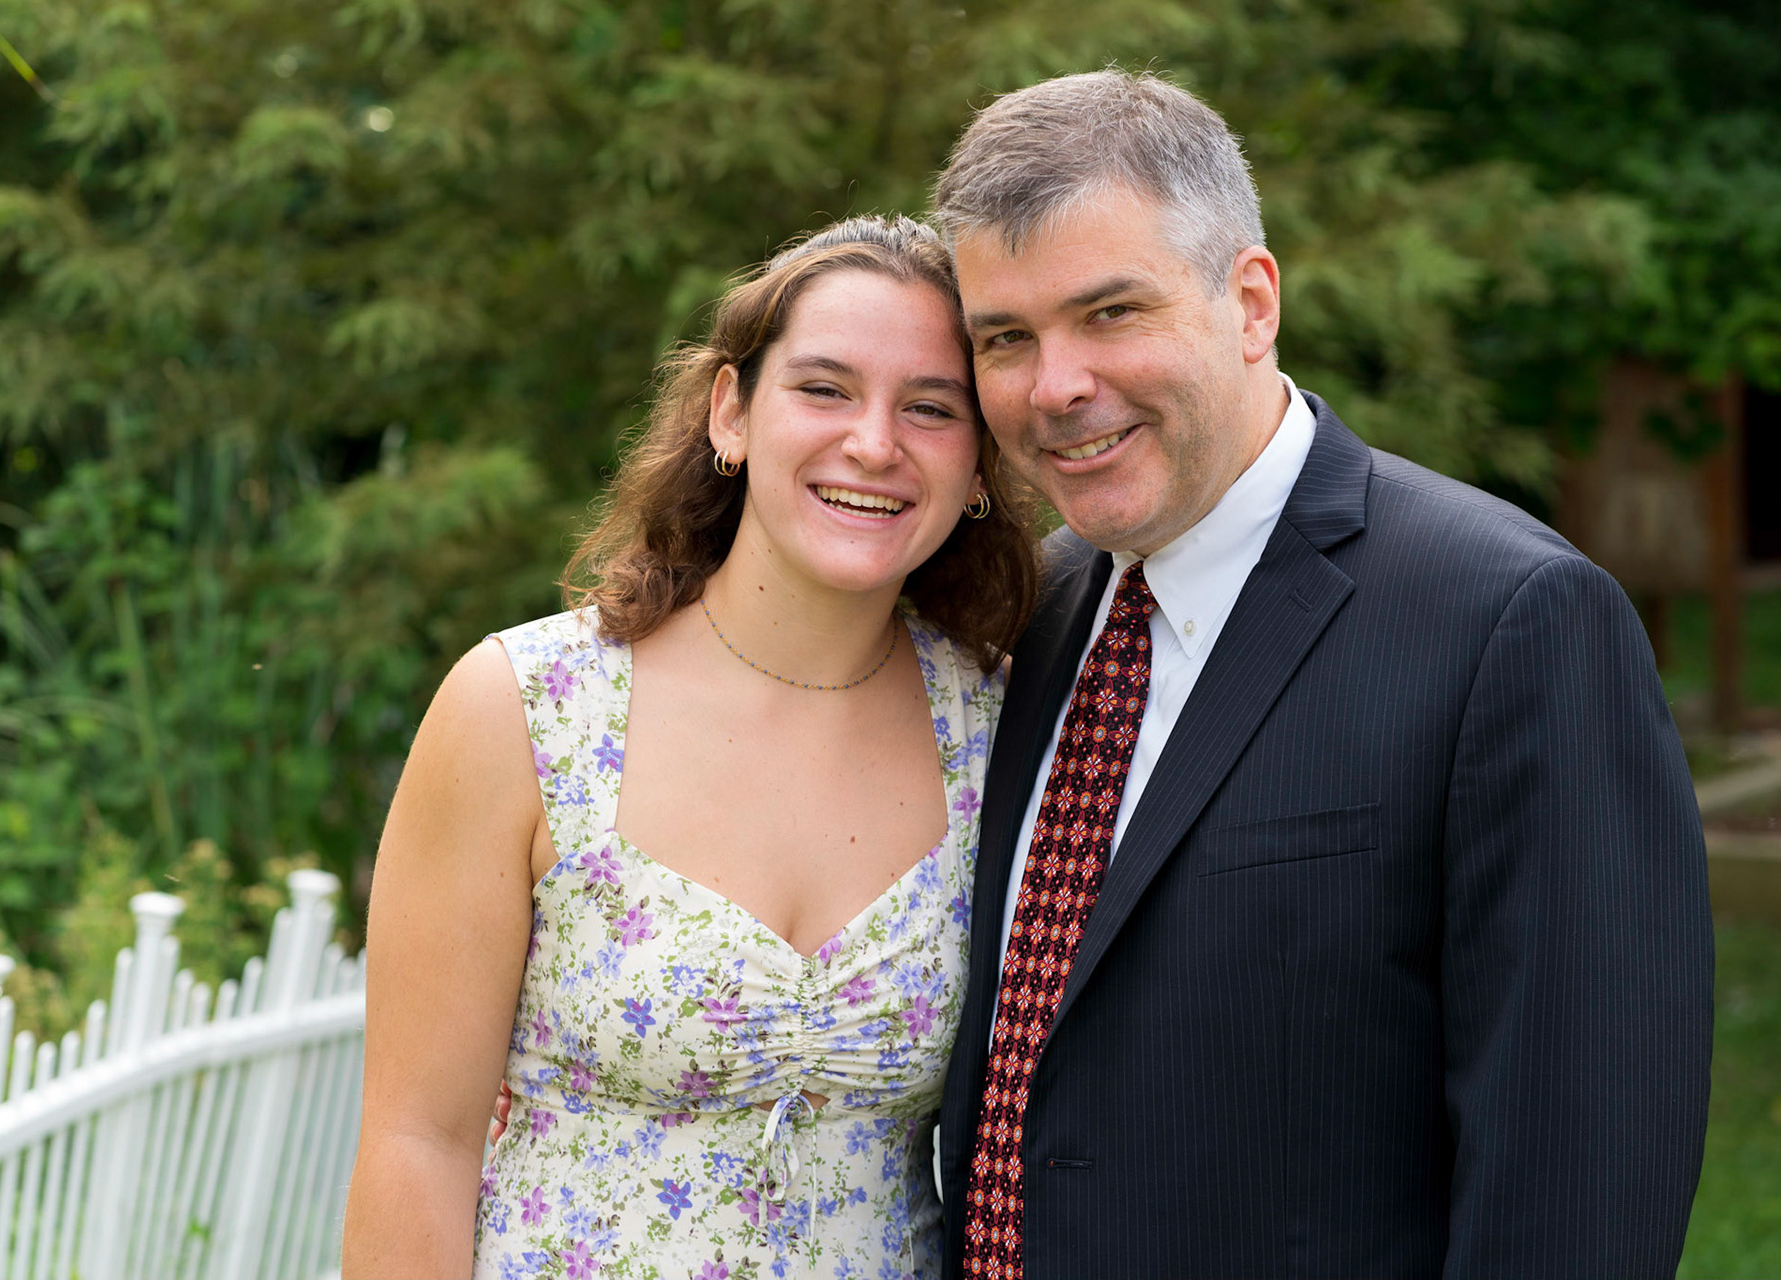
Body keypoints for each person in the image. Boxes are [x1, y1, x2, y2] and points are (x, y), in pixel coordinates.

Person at [928, 71, 1714, 1279]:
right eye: (1006, 339)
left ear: (1250, 303)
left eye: (1112, 313)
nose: (1057, 386)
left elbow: (1578, 1190)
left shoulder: (1511, 622)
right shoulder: (1026, 615)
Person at [340, 214, 1041, 1279]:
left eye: (931, 408)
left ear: (980, 462)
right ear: (732, 412)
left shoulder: (1008, 733)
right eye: (824, 387)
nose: (874, 442)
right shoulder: (526, 710)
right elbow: (415, 1145)